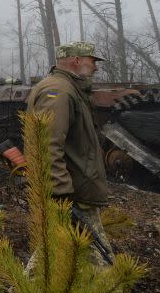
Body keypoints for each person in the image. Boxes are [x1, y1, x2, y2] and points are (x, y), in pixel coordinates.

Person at [27, 41, 112, 260]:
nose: (96, 67)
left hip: (73, 192)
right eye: (92, 61)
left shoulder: (68, 89)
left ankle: (26, 292)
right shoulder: (59, 91)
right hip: (71, 195)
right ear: (77, 60)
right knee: (100, 262)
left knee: (53, 256)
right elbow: (46, 144)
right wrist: (60, 192)